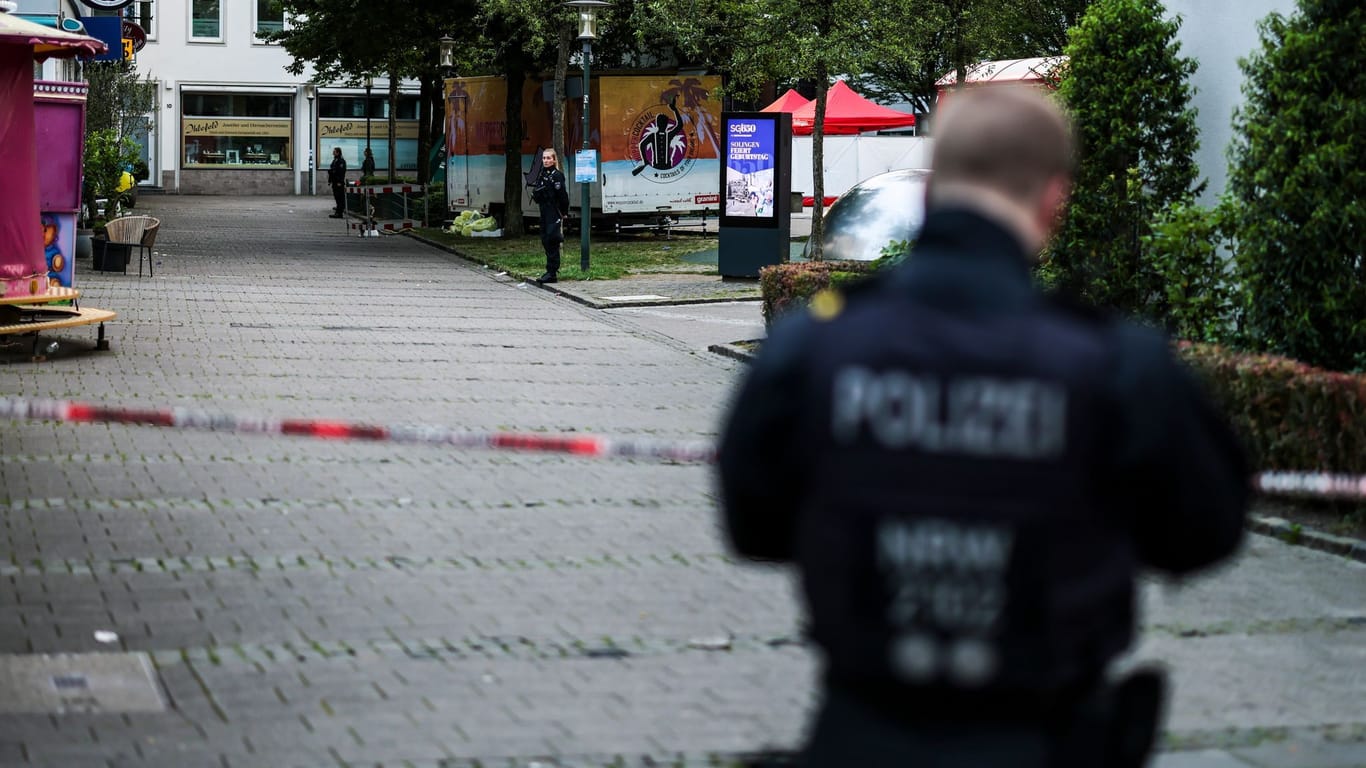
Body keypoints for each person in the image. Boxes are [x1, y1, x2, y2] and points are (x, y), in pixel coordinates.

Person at [716, 86, 1248, 768]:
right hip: (1045, 739)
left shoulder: (812, 349)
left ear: (932, 191)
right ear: (1054, 200)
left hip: (860, 734)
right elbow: (1204, 531)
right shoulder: (1116, 365)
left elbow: (750, 522)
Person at [529, 147, 570, 284]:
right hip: (544, 211)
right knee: (545, 240)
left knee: (552, 240)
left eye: (548, 158)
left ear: (554, 160)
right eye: (544, 158)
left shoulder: (556, 175)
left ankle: (552, 272)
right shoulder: (543, 174)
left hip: (553, 211)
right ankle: (549, 270)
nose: (546, 161)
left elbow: (562, 196)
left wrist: (564, 212)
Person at [327, 147, 347, 218]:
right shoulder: (335, 160)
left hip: (338, 182)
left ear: (338, 152)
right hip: (334, 182)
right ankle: (338, 212)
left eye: (334, 151)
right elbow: (332, 171)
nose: (333, 152)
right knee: (337, 197)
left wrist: (340, 182)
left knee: (340, 198)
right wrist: (330, 181)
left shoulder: (341, 161)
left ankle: (339, 213)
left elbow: (341, 172)